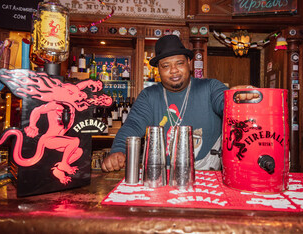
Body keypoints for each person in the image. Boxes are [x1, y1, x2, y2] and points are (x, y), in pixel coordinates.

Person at [101, 35, 257, 172]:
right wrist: (119, 150)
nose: (174, 70)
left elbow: (224, 102)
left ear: (189, 63)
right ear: (158, 70)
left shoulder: (210, 87)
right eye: (166, 66)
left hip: (205, 171)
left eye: (179, 63)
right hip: (163, 174)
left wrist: (235, 99)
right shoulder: (149, 96)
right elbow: (132, 126)